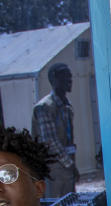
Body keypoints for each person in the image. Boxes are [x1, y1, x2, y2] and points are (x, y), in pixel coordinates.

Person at [32, 63, 77, 198]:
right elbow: (50, 142)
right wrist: (70, 165)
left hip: (66, 162)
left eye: (70, 76)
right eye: (65, 77)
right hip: (54, 166)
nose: (69, 80)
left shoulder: (66, 105)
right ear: (54, 79)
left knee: (71, 205)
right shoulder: (44, 107)